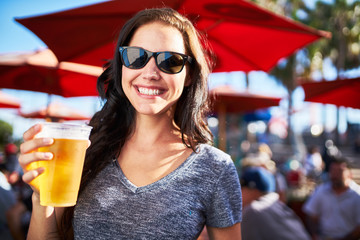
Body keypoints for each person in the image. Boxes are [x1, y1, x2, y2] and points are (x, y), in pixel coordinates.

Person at [18, 7, 242, 240]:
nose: (150, 72)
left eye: (170, 61)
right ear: (121, 65)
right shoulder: (84, 148)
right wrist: (40, 197)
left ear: (190, 75)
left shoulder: (215, 169)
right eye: (136, 56)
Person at [240, 166, 310, 240]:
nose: (239, 193)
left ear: (253, 190)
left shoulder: (253, 210)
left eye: (241, 187)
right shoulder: (277, 205)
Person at [302, 157, 360, 240]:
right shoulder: (321, 191)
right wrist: (314, 234)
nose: (335, 174)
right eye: (333, 170)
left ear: (350, 174)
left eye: (339, 171)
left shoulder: (357, 195)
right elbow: (311, 215)